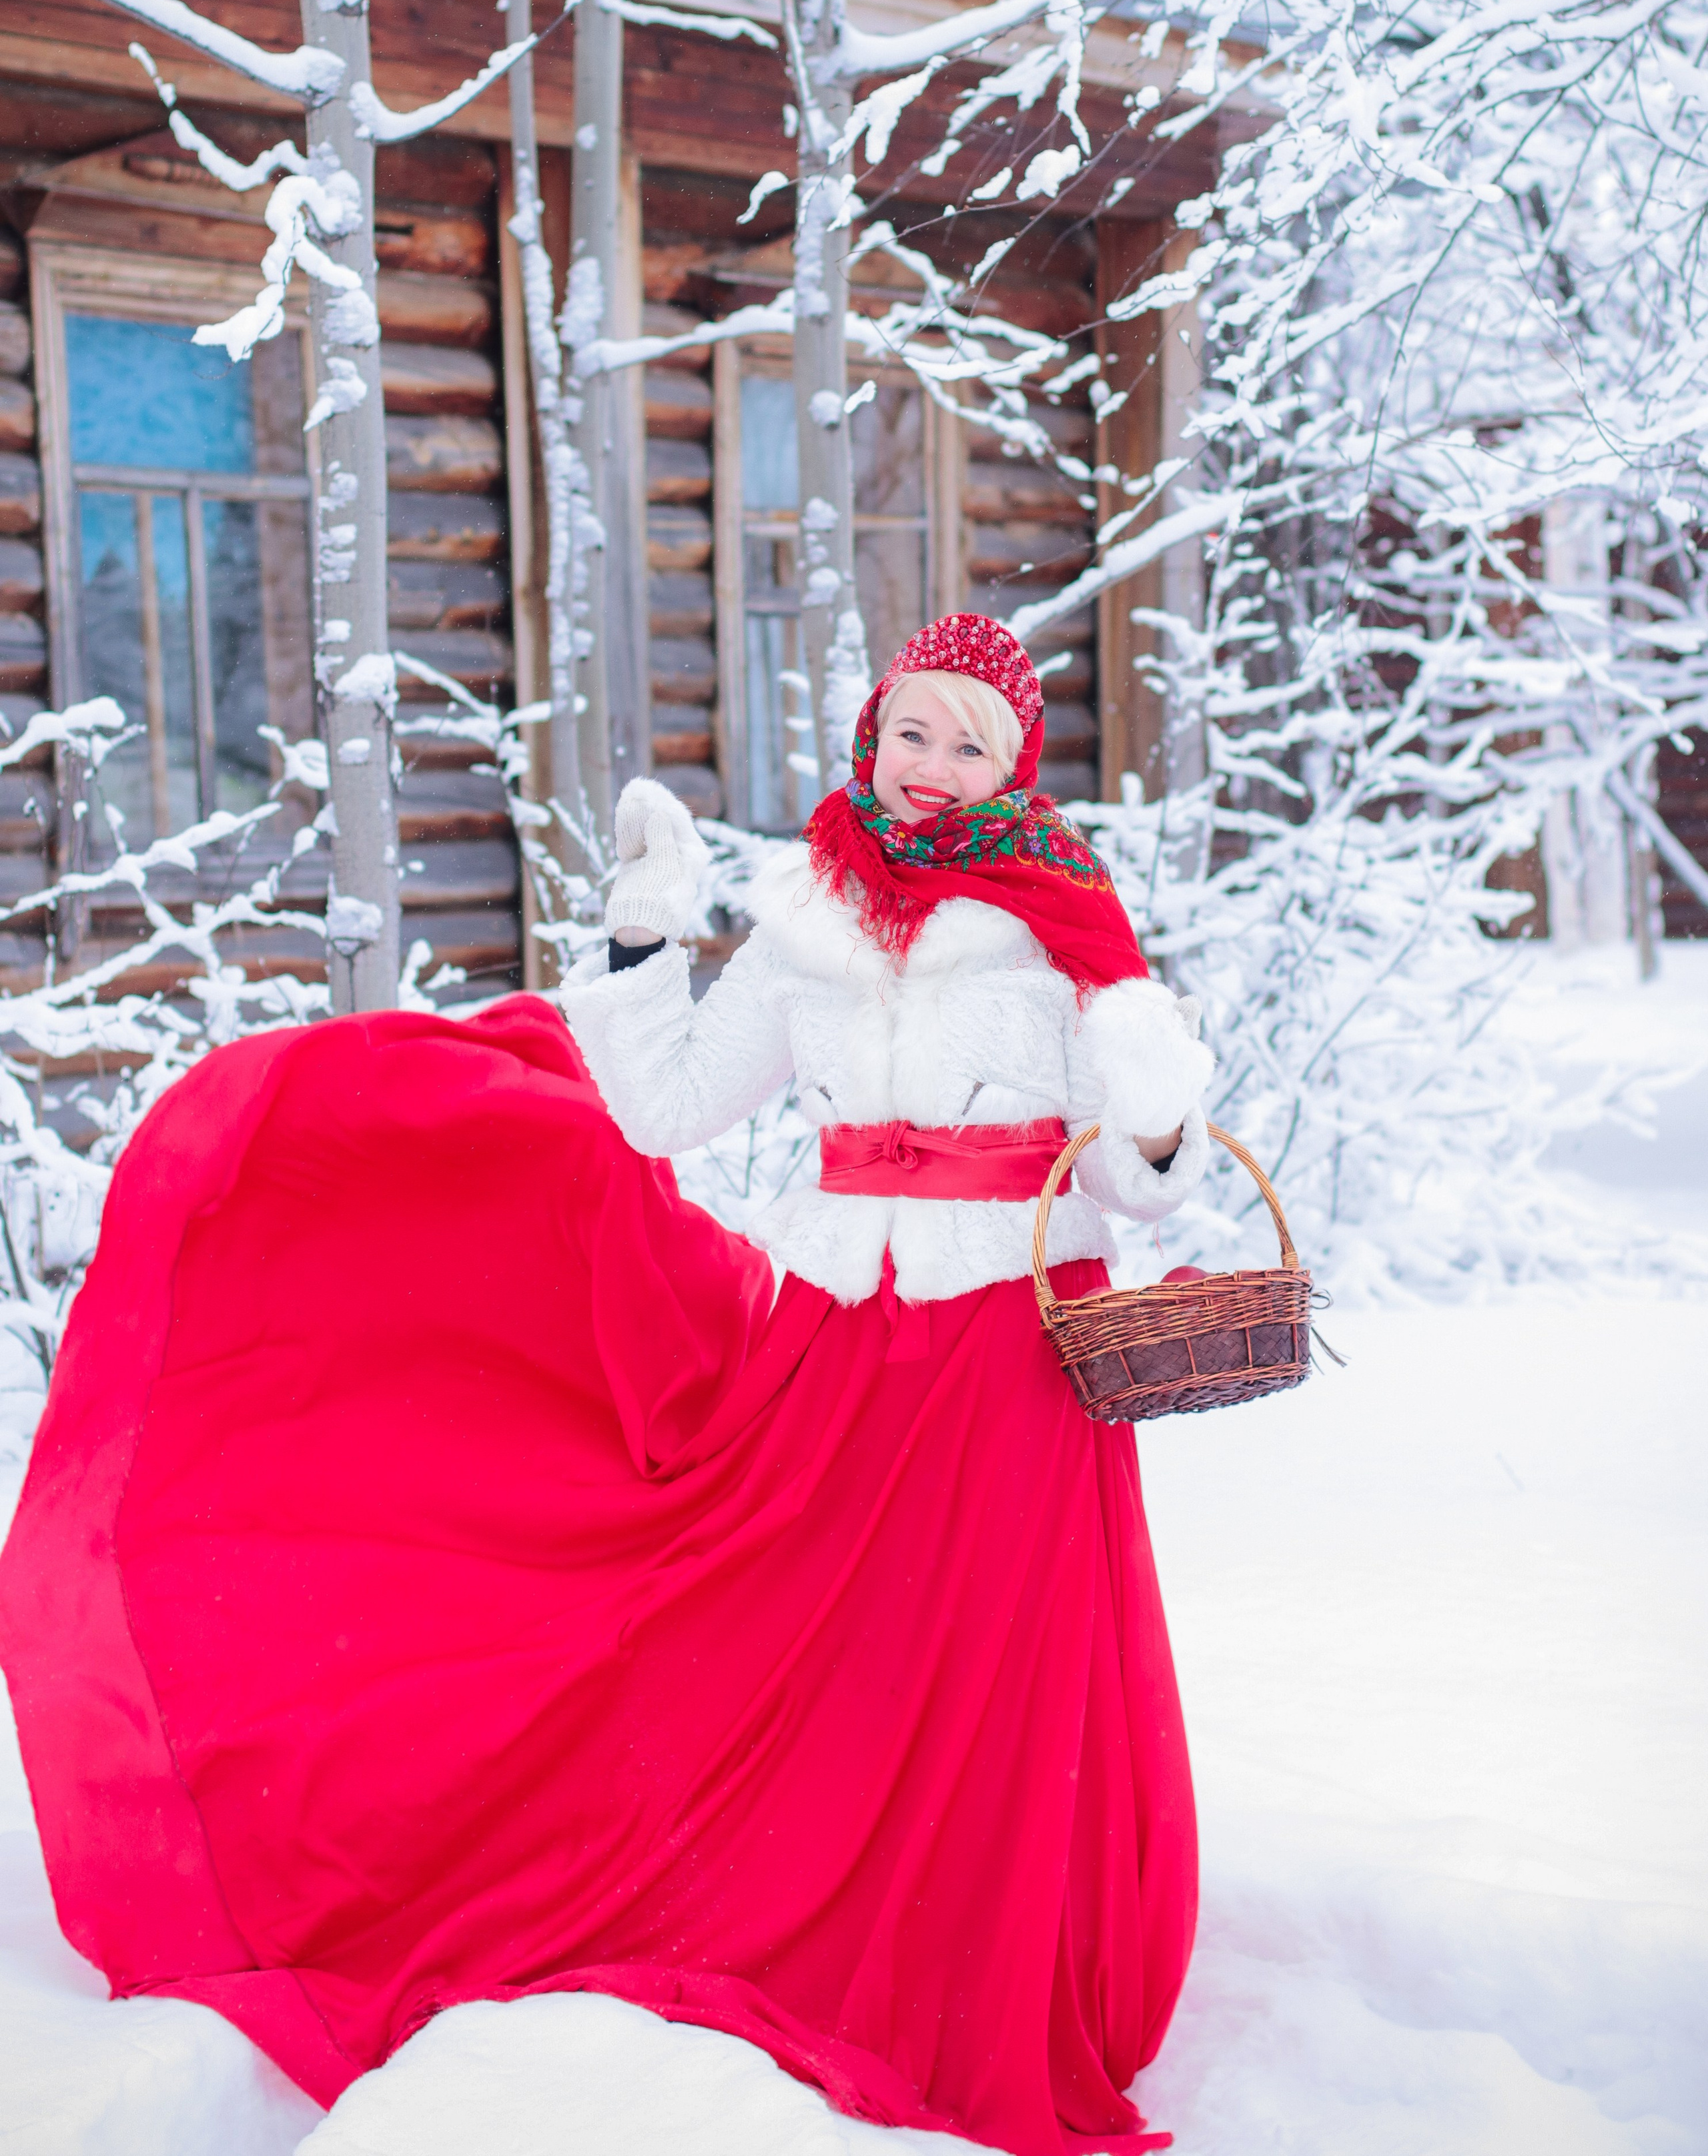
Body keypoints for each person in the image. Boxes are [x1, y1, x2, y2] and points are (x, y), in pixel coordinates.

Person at [0, 613, 1212, 2156]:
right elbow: (671, 1112)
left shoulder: (1063, 931)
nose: (931, 765)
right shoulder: (806, 917)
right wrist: (648, 940)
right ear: (869, 736)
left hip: (1002, 1358)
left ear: (1013, 764)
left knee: (981, 1684)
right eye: (911, 731)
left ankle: (968, 1979)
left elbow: (1131, 1184)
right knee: (790, 1660)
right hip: (836, 1336)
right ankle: (794, 1931)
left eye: (966, 741)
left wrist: (1156, 1108)